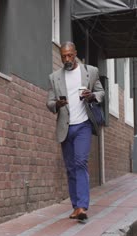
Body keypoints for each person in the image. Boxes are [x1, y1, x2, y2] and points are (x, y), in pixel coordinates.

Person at [46, 42, 105, 221]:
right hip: (66, 126)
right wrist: (57, 104)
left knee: (80, 163)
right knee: (71, 168)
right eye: (64, 56)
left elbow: (101, 92)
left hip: (83, 125)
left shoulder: (91, 71)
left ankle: (82, 207)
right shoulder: (54, 77)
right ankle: (75, 206)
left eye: (70, 55)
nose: (67, 59)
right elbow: (49, 102)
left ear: (76, 54)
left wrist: (92, 95)